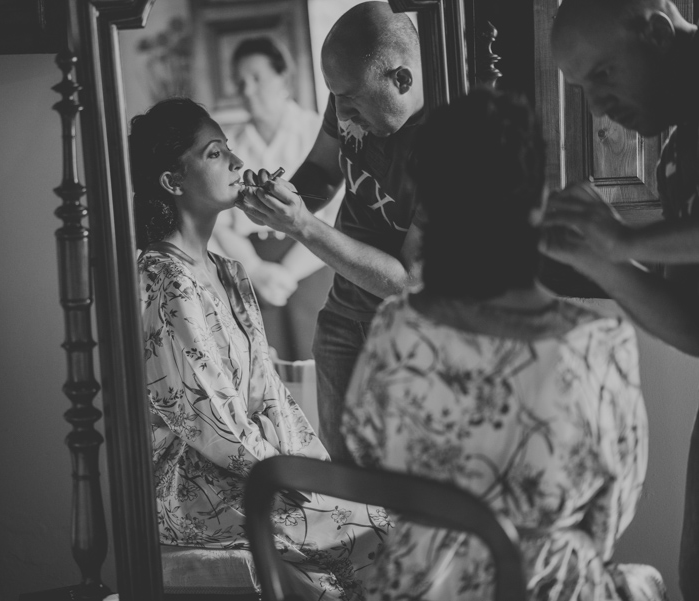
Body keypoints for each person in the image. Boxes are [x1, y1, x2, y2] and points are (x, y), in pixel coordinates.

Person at [340, 87, 666, 601]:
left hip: (417, 586)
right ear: (538, 200)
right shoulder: (597, 345)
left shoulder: (394, 328)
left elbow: (366, 450)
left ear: (431, 209)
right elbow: (610, 516)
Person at [130, 97, 387, 601]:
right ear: (172, 181)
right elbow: (211, 422)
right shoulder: (163, 280)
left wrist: (316, 468)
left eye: (229, 148)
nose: (237, 163)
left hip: (262, 473)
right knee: (381, 530)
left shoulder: (229, 271)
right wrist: (291, 475)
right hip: (197, 488)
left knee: (381, 519)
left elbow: (271, 394)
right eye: (213, 153)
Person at [542, 0, 699, 596]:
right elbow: (693, 327)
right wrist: (601, 261)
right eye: (581, 88)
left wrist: (624, 236)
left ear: (656, 32)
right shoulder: (679, 150)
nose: (596, 105)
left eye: (604, 74)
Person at [239, 1, 425, 463]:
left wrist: (301, 225)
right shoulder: (348, 95)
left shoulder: (449, 143)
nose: (341, 112)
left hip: (408, 338)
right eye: (334, 96)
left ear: (401, 80)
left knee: (404, 488)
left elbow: (406, 280)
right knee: (349, 487)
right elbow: (322, 170)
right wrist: (280, 199)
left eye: (351, 100)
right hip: (341, 322)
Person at [210, 36, 338, 361]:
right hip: (251, 275)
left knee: (315, 361)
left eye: (257, 78)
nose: (247, 90)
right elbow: (219, 222)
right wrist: (254, 268)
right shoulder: (229, 146)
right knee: (263, 368)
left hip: (311, 265)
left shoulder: (317, 133)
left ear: (283, 78)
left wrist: (288, 272)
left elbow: (336, 213)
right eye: (240, 82)